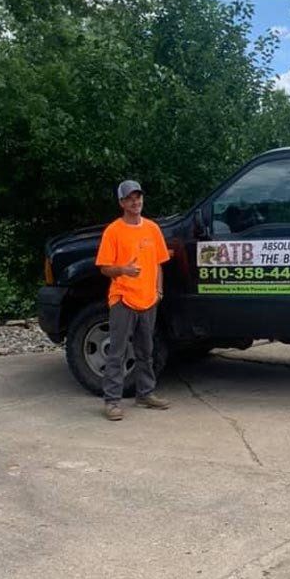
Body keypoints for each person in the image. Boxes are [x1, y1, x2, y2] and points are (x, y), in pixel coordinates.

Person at [95, 180, 170, 421]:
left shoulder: (152, 229)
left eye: (138, 197)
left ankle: (145, 394)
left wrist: (158, 291)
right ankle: (112, 401)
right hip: (123, 299)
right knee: (116, 352)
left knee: (146, 351)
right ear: (121, 203)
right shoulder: (113, 231)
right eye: (129, 198)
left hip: (148, 300)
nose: (135, 201)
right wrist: (123, 270)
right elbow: (104, 268)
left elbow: (158, 263)